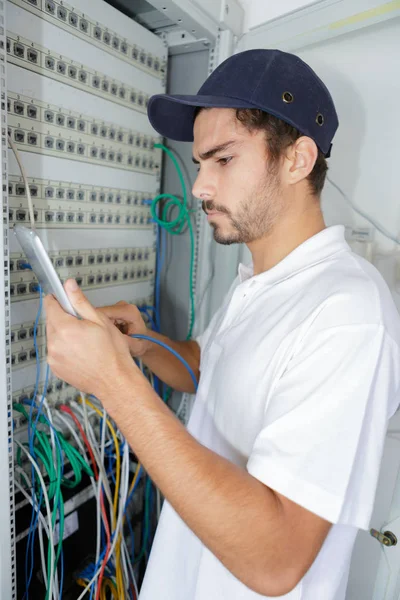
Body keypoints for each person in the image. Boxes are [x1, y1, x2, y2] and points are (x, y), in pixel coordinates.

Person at [45, 49, 400, 599]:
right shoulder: (260, 282)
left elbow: (277, 560)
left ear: (297, 159)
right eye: (200, 163)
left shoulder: (347, 313)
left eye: (224, 161)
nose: (198, 187)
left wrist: (113, 383)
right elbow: (211, 367)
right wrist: (143, 344)